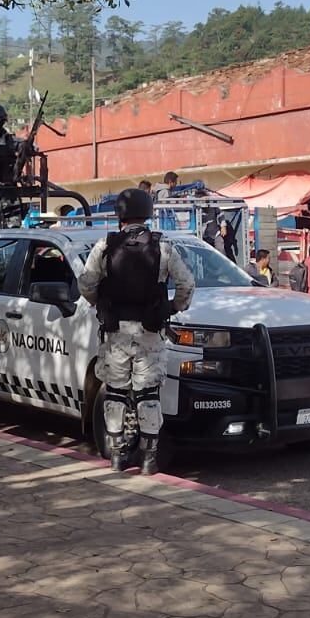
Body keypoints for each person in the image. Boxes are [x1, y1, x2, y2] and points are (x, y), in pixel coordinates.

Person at [78, 187, 195, 475]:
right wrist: (172, 308)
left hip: (115, 332)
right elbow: (186, 284)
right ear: (148, 214)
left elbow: (86, 284)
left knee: (116, 393)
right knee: (148, 394)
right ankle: (149, 459)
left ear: (119, 214)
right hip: (150, 333)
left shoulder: (105, 246)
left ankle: (117, 455)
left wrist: (101, 305)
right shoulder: (162, 247)